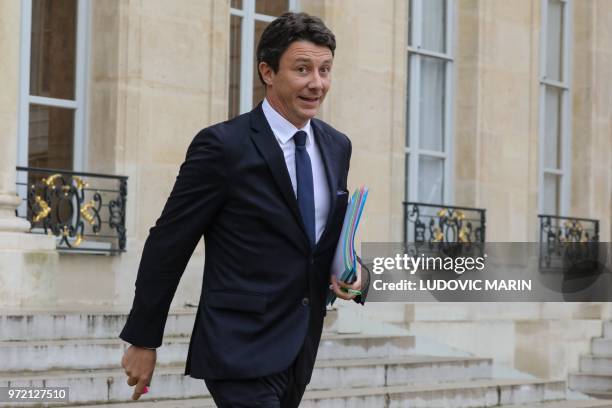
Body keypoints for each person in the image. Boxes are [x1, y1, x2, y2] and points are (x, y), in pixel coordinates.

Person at [119, 12, 363, 408]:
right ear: (268, 72)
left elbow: (323, 238)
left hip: (301, 343)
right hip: (238, 345)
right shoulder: (222, 146)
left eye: (325, 70)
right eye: (302, 69)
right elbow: (169, 242)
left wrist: (358, 274)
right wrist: (144, 339)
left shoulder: (337, 146)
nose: (316, 83)